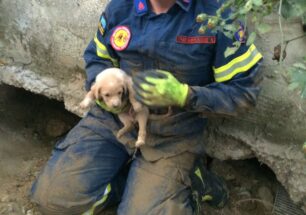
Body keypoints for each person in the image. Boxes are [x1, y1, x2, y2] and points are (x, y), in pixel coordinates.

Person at [30, 0, 263, 214]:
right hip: (113, 121)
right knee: (52, 199)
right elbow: (98, 56)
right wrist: (104, 90)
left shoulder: (219, 15)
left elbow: (244, 92)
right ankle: (130, 184)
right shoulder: (120, 8)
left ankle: (194, 181)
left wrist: (184, 95)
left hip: (173, 134)